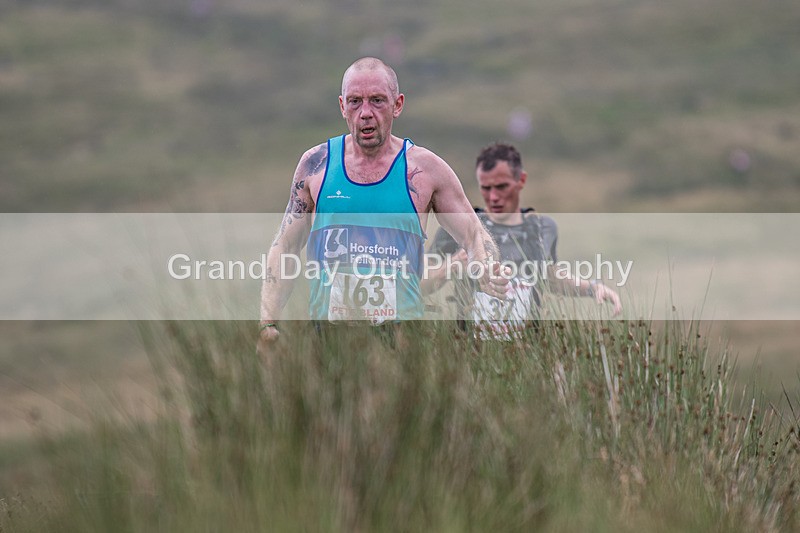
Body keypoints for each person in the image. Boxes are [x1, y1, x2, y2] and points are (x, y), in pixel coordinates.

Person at [258, 57, 508, 348]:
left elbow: (474, 235)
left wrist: (485, 265)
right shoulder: (317, 164)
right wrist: (268, 323)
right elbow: (285, 246)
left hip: (402, 340)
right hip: (329, 339)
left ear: (397, 104)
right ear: (342, 106)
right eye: (355, 102)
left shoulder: (426, 169)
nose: (365, 112)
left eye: (377, 100)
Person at [423, 142, 622, 340]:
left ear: (521, 180)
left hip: (528, 349)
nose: (493, 197)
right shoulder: (460, 227)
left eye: (501, 187)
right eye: (486, 188)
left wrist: (593, 287)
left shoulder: (542, 228)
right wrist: (453, 265)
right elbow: (420, 284)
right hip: (470, 351)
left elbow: (550, 278)